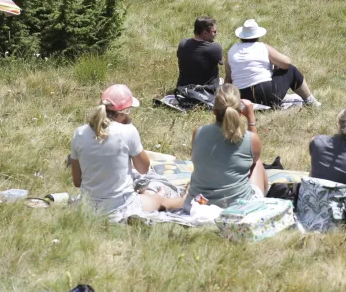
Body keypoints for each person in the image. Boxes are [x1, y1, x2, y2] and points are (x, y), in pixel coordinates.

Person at [69, 84, 184, 221]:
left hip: (89, 205)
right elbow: (143, 168)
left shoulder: (79, 133)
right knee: (157, 200)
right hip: (121, 205)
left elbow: (77, 181)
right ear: (124, 112)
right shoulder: (128, 131)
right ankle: (185, 200)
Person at [184, 83, 267, 207]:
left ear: (213, 111)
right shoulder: (249, 139)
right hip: (238, 206)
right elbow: (254, 157)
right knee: (257, 163)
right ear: (240, 111)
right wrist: (251, 119)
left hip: (199, 203)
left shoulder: (198, 132)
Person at [226, 19, 320, 108]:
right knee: (291, 70)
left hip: (241, 96)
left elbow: (229, 77)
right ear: (258, 36)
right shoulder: (262, 47)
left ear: (241, 36)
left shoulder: (231, 51)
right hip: (265, 94)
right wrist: (275, 65)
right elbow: (286, 63)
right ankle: (310, 101)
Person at [176, 16, 223, 89]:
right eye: (214, 31)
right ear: (205, 33)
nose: (216, 34)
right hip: (206, 91)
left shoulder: (183, 44)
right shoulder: (215, 48)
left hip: (183, 89)